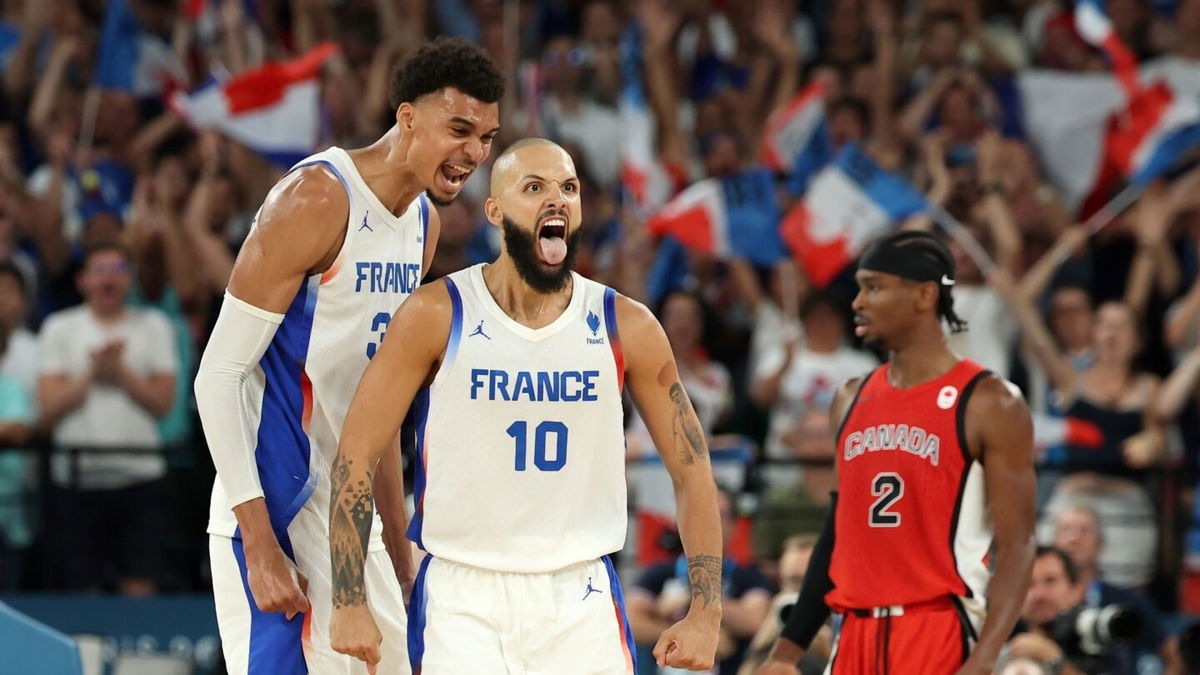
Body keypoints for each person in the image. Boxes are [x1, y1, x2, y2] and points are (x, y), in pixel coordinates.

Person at [326, 138, 723, 673]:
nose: (555, 200)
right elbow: (355, 453)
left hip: (579, 594)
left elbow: (692, 469)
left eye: (569, 188)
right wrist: (349, 598)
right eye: (534, 187)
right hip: (462, 595)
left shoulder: (626, 325)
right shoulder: (435, 313)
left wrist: (707, 610)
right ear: (494, 210)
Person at [193, 37, 504, 675]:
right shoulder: (317, 197)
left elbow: (378, 406)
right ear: (408, 117)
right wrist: (256, 542)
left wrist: (400, 549)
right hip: (277, 504)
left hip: (348, 520)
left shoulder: (423, 224)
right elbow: (217, 376)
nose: (474, 152)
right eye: (460, 129)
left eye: (488, 138)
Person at [759, 230, 1037, 674]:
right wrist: (786, 651)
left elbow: (1018, 544)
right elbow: (837, 532)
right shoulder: (849, 398)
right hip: (852, 632)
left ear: (925, 295)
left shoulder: (989, 400)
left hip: (938, 627)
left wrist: (984, 658)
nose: (857, 302)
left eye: (874, 286)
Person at [39, 244, 178, 594]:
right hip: (76, 478)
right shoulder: (60, 327)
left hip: (140, 476)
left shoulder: (154, 325)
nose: (109, 278)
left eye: (117, 268)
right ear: (82, 280)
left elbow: (164, 403)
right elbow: (48, 408)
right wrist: (92, 371)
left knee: (141, 578)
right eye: (99, 270)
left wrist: (120, 371)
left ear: (128, 279)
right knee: (81, 584)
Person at [628, 485, 772, 674]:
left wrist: (693, 598)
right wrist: (690, 640)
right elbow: (630, 622)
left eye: (720, 516)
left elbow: (754, 621)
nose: (710, 524)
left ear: (735, 525)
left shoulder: (750, 576)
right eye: (701, 515)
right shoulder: (659, 571)